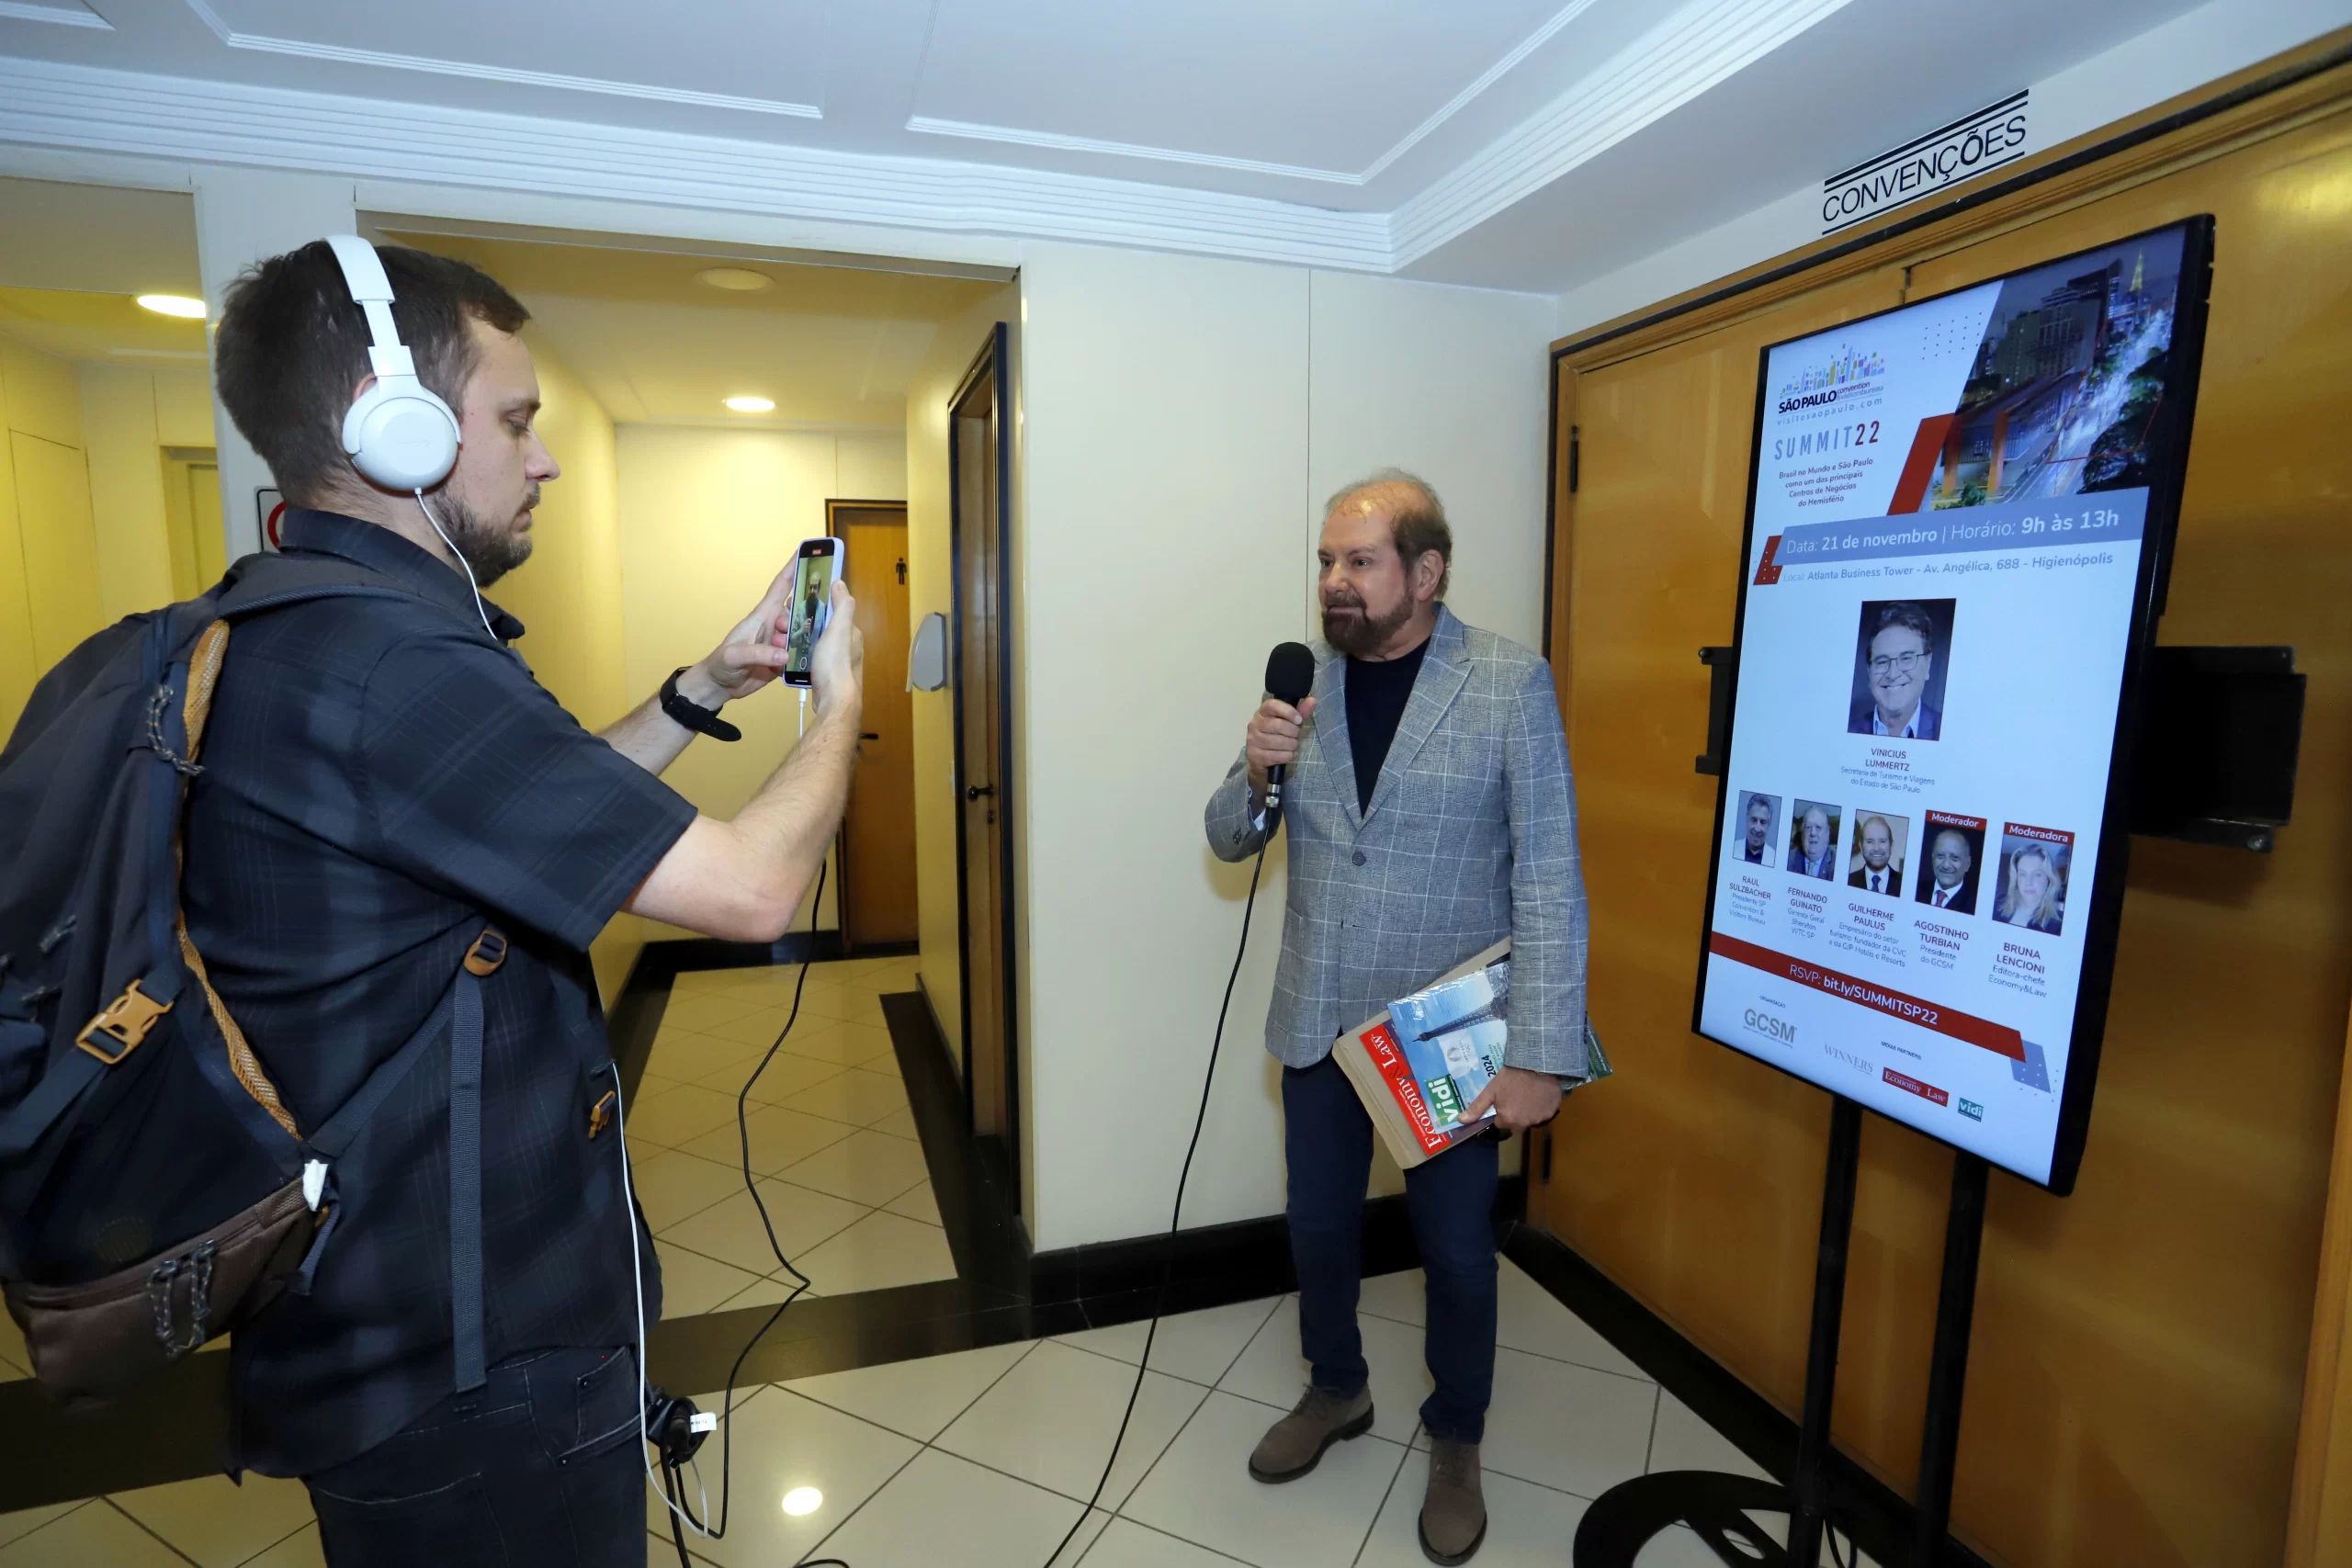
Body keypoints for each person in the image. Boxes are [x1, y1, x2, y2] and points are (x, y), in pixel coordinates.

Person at [198, 239, 865, 1567]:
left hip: (388, 1331)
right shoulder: (391, 668)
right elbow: (755, 888)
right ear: (393, 426)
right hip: (468, 1367)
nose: (543, 457)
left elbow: (539, 813)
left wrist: (708, 684)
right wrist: (842, 699)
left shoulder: (321, 624)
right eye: (515, 420)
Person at [1204, 470, 1588, 1566]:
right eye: (1327, 560)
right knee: (1317, 1228)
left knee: (1456, 1252)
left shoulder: (1506, 681)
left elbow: (1548, 875)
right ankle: (1337, 1388)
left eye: (1359, 561)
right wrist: (1258, 767)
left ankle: (1456, 1432)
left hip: (1446, 1034)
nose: (1334, 580)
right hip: (1320, 1015)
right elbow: (1229, 835)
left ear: (1426, 573)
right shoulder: (1304, 690)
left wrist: (1542, 1053)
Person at [1847, 602, 1942, 739]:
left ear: (1927, 664)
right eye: (1882, 661)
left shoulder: (1949, 732)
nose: (1893, 674)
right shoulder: (1846, 731)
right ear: (1869, 671)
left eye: (1906, 659)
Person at [1996, 843, 2065, 934]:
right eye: (2023, 874)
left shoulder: (2059, 924)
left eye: (2037, 875)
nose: (2029, 882)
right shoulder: (1998, 903)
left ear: (2049, 879)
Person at [1917, 828, 1977, 913]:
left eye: (1954, 858)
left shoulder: (1975, 905)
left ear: (1968, 864)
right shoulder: (1916, 890)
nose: (1946, 865)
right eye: (1940, 856)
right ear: (1932, 858)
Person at [1847, 815, 1903, 895]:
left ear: (1891, 845)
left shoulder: (1905, 884)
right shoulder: (1848, 881)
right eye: (1870, 841)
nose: (1876, 848)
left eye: (1882, 841)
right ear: (1861, 846)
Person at [1786, 806, 1836, 880]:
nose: (1813, 833)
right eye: (1808, 827)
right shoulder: (1788, 859)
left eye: (1818, 827)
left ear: (1828, 834)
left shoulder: (1837, 865)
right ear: (1802, 834)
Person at [1739, 795, 1775, 864]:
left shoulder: (1774, 858)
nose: (1757, 829)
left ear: (1769, 824)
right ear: (1747, 819)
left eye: (1763, 822)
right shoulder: (1732, 849)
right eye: (1754, 820)